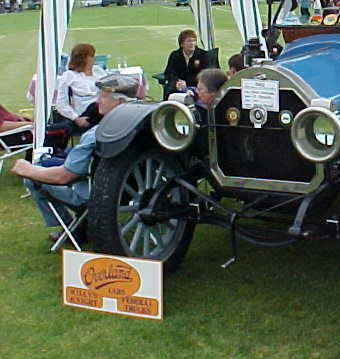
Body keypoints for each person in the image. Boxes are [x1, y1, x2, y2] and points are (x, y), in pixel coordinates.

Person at [11, 74, 139, 244]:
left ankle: (71, 228)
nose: (97, 100)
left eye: (103, 96)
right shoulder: (144, 128)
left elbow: (63, 177)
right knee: (53, 162)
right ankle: (80, 225)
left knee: (32, 178)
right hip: (133, 191)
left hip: (95, 195)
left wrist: (26, 169)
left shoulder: (97, 135)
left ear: (120, 102)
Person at [55, 43, 107, 132]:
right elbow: (61, 103)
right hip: (86, 114)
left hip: (103, 108)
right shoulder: (69, 76)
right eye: (92, 56)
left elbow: (111, 84)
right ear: (84, 58)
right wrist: (76, 118)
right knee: (96, 105)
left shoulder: (98, 70)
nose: (94, 58)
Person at [163, 29, 209, 95]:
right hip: (177, 85)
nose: (192, 43)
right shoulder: (175, 55)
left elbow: (204, 74)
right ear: (182, 44)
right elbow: (169, 72)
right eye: (189, 41)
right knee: (169, 89)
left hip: (195, 85)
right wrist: (177, 82)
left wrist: (187, 82)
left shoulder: (203, 55)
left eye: (194, 41)